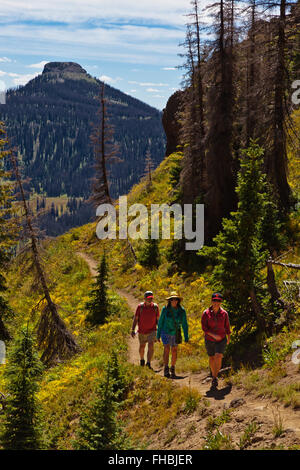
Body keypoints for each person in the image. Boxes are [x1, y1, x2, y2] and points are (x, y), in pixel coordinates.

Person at [201, 292, 231, 389]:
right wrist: (213, 335)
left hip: (221, 339)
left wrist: (229, 337)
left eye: (218, 301)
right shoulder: (206, 313)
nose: (216, 303)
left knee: (218, 356)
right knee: (212, 358)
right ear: (211, 301)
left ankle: (214, 377)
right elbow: (204, 328)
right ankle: (214, 374)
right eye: (214, 300)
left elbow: (227, 326)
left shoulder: (224, 313)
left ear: (220, 302)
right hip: (209, 339)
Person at [156, 291, 189, 379]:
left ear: (178, 300)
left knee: (174, 350)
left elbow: (184, 324)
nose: (174, 301)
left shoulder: (182, 311)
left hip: (175, 332)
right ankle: (166, 368)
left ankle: (173, 367)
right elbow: (160, 322)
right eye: (172, 299)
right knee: (166, 348)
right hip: (165, 331)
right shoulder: (165, 309)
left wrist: (186, 336)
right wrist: (158, 334)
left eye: (176, 299)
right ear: (169, 300)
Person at [131, 291, 159, 369]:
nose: (150, 300)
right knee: (142, 347)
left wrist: (159, 331)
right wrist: (133, 329)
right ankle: (142, 359)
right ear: (144, 299)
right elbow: (136, 319)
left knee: (151, 346)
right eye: (148, 298)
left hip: (152, 330)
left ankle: (148, 363)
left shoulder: (155, 307)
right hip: (142, 331)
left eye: (151, 298)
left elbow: (158, 320)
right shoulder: (140, 307)